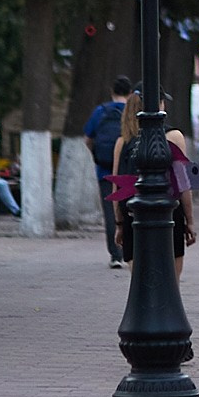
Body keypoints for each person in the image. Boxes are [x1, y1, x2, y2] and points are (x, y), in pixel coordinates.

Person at [112, 89, 196, 278]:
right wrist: (189, 221)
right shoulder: (173, 137)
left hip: (133, 215)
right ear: (157, 106)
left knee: (140, 283)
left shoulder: (123, 141)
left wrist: (119, 223)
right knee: (171, 283)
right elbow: (183, 183)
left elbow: (117, 186)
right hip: (169, 214)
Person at [85, 76, 132, 264]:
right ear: (130, 94)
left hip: (104, 171)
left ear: (112, 92)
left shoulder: (100, 111)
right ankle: (130, 248)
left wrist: (98, 155)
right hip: (127, 171)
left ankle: (115, 254)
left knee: (110, 212)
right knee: (130, 209)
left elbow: (88, 138)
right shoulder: (131, 113)